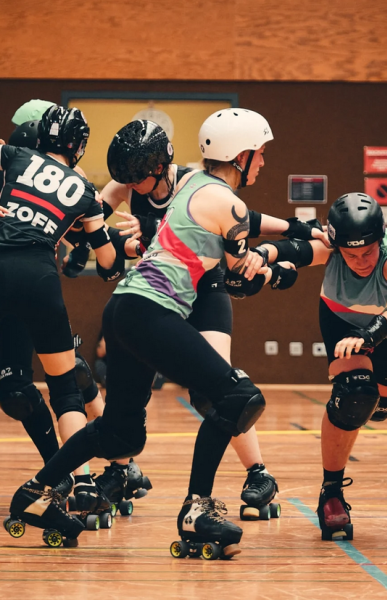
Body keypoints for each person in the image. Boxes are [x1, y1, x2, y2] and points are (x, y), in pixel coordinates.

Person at [8, 108, 297, 556]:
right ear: (241, 156)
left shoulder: (195, 186)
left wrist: (299, 235)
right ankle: (197, 510)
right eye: (259, 154)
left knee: (122, 434)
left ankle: (35, 492)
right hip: (150, 312)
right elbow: (242, 272)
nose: (262, 161)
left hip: (123, 308)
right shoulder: (218, 196)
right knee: (238, 398)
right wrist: (284, 265)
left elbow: (247, 228)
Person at [100, 119, 325, 519]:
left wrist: (298, 229)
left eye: (138, 179)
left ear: (157, 167)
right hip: (160, 290)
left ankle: (257, 472)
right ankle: (121, 469)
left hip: (205, 287)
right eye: (127, 180)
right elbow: (89, 221)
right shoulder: (126, 183)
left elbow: (240, 218)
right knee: (130, 382)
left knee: (216, 388)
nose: (132, 186)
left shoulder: (191, 181)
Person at [252, 192, 387, 540]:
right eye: (351, 254)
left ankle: (382, 399)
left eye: (368, 252)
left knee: (380, 409)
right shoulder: (334, 247)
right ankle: (332, 492)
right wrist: (261, 254)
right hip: (344, 323)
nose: (361, 261)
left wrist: (372, 334)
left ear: (381, 239)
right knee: (355, 396)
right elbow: (293, 250)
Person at [0, 102, 151, 526]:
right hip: (39, 278)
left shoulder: (16, 156)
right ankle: (82, 486)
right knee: (65, 389)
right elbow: (108, 263)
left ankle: (105, 473)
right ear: (78, 146)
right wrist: (125, 245)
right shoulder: (85, 191)